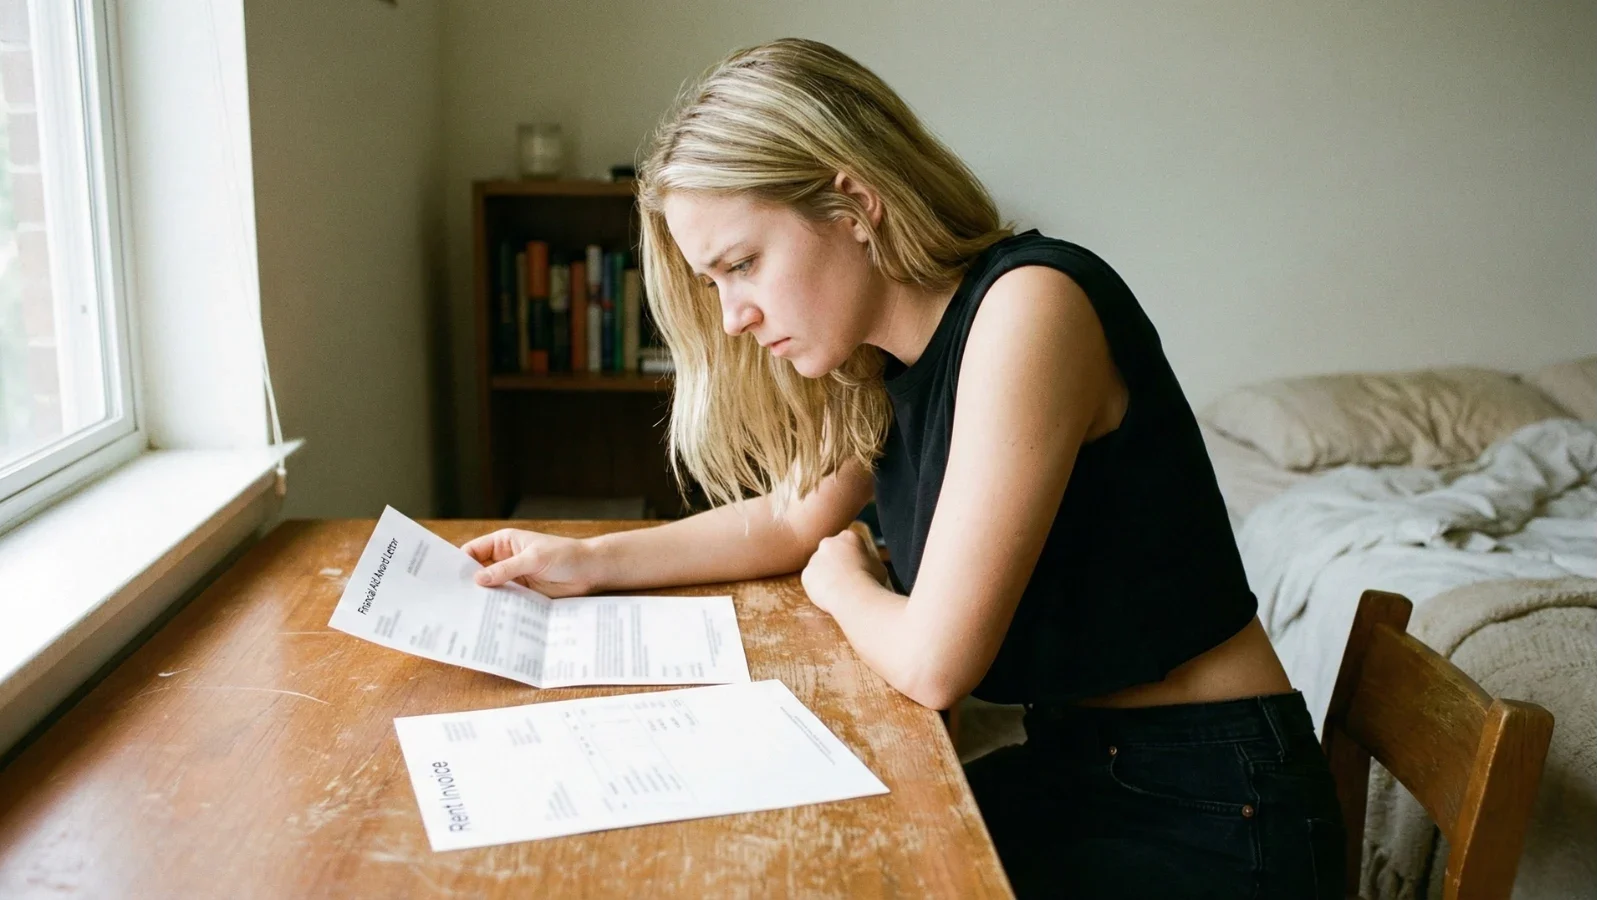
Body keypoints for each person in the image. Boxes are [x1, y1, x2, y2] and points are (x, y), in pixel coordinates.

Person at [465, 37, 1344, 898]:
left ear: (852, 204)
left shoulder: (1030, 307)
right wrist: (585, 562)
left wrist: (842, 578)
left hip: (1219, 815)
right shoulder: (891, 360)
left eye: (741, 264)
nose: (732, 315)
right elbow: (783, 520)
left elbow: (932, 663)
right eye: (713, 283)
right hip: (1088, 773)